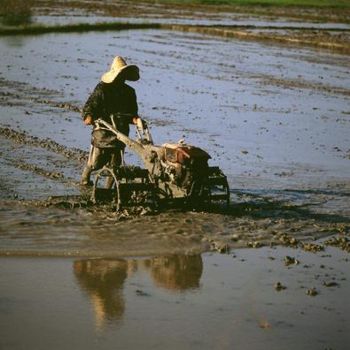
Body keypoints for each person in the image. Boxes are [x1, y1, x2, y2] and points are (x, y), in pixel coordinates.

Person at [81, 56, 141, 186]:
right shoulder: (103, 88)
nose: (122, 77)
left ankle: (108, 189)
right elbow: (90, 105)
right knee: (95, 162)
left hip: (121, 133)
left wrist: (136, 120)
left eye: (124, 74)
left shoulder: (129, 92)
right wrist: (88, 116)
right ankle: (85, 178)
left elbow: (132, 113)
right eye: (120, 74)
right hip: (103, 131)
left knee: (115, 166)